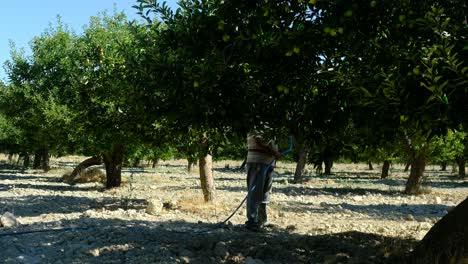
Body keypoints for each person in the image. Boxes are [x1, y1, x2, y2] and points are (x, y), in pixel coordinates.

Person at [245, 130, 282, 231]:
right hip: (257, 162)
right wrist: (274, 153)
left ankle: (261, 221)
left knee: (264, 194)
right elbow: (259, 141)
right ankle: (252, 221)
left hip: (266, 163)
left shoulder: (269, 125)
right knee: (255, 193)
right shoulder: (258, 123)